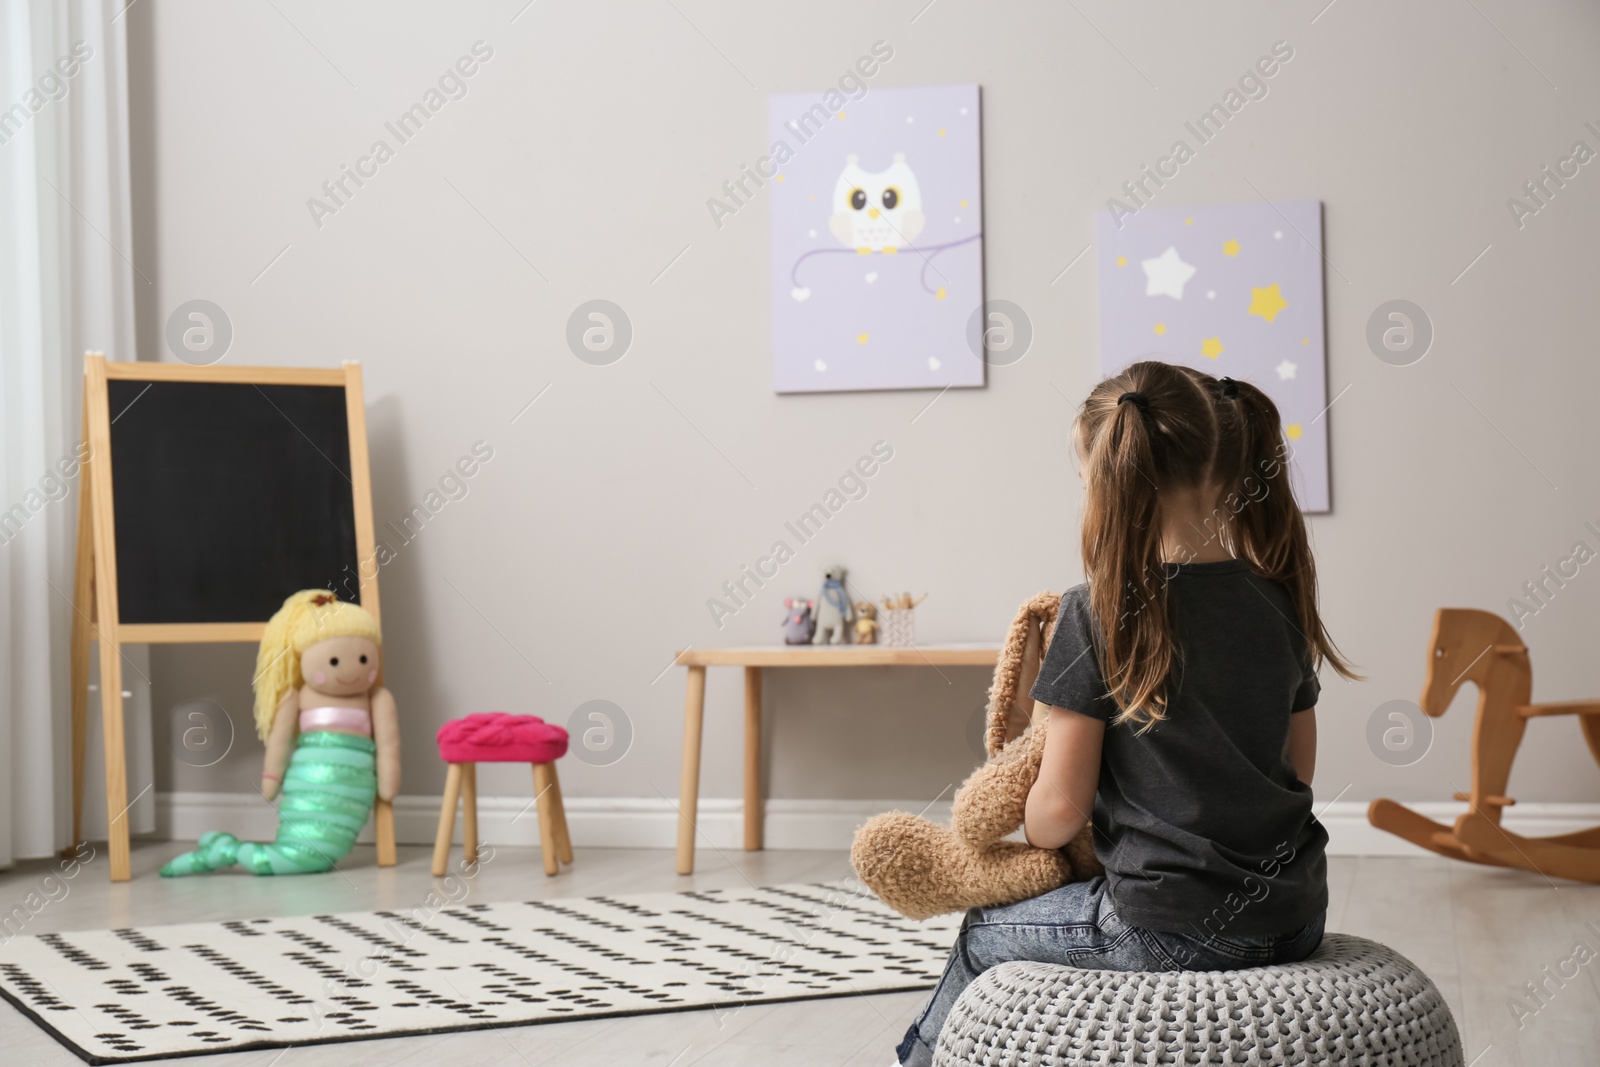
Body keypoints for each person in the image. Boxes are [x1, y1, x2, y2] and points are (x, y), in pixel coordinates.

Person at [893, 361, 1356, 1066]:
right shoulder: (1279, 599)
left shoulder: (1096, 611)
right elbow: (1298, 768)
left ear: (1110, 487)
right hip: (1297, 915)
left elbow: (1057, 814)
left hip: (1165, 928)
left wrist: (1038, 751)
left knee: (984, 927)